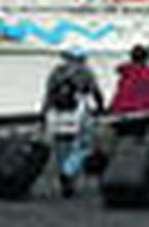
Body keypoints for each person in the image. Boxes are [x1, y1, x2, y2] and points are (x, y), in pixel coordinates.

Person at [43, 47, 105, 197]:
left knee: (60, 147)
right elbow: (95, 92)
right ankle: (68, 171)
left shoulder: (56, 72)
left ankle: (64, 175)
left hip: (57, 114)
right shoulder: (85, 72)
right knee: (84, 145)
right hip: (78, 113)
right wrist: (100, 107)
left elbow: (48, 94)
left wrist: (44, 113)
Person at [111, 43, 149, 140]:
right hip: (144, 117)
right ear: (145, 59)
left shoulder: (126, 74)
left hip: (125, 117)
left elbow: (118, 98)